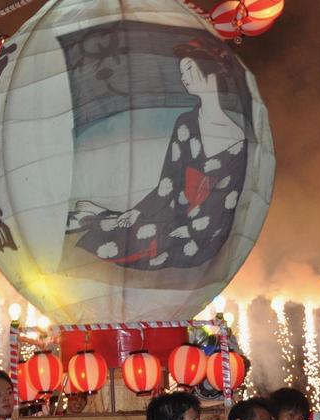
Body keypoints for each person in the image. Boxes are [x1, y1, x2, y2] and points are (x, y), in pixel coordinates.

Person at [67, 38, 252, 270]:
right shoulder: (186, 123)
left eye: (189, 69)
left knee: (144, 240)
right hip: (175, 210)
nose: (184, 78)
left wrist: (192, 228)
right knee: (132, 227)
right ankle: (105, 216)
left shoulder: (236, 137)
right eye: (181, 72)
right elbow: (169, 182)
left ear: (210, 69)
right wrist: (137, 212)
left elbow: (226, 199)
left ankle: (97, 216)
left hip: (206, 228)